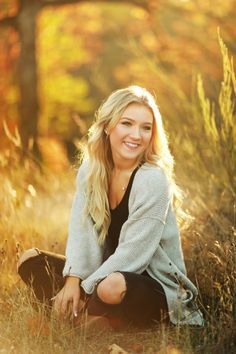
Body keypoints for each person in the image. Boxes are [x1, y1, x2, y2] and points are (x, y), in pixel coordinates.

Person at [17, 86, 204, 328]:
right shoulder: (91, 170)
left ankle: (86, 315)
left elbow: (133, 254)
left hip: (149, 286)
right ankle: (94, 318)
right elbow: (81, 230)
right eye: (127, 123)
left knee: (111, 286)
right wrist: (72, 279)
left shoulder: (153, 179)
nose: (136, 135)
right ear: (107, 126)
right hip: (102, 274)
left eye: (146, 128)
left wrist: (83, 288)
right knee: (30, 259)